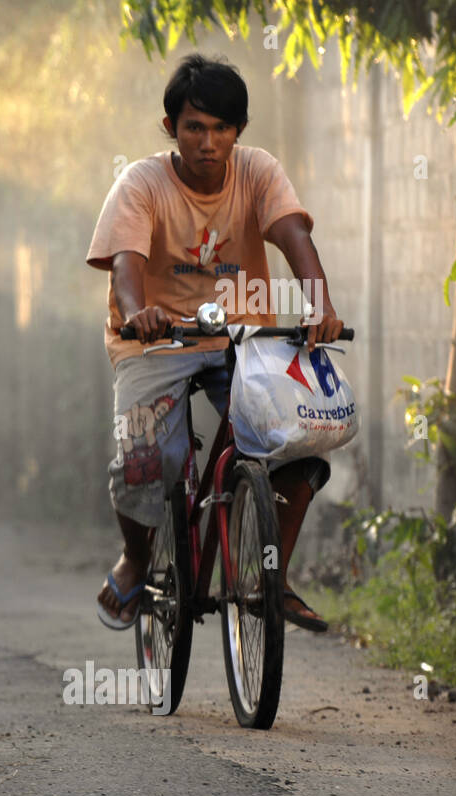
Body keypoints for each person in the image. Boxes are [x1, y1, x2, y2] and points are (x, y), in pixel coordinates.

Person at [86, 54, 345, 632]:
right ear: (170, 128)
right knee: (149, 457)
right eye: (195, 127)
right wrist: (138, 313)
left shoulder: (258, 172)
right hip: (154, 343)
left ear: (239, 132)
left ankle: (269, 578)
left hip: (243, 339)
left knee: (298, 443)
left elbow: (293, 237)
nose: (209, 141)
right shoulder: (140, 183)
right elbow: (126, 268)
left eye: (222, 128)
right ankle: (135, 558)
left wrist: (320, 308)